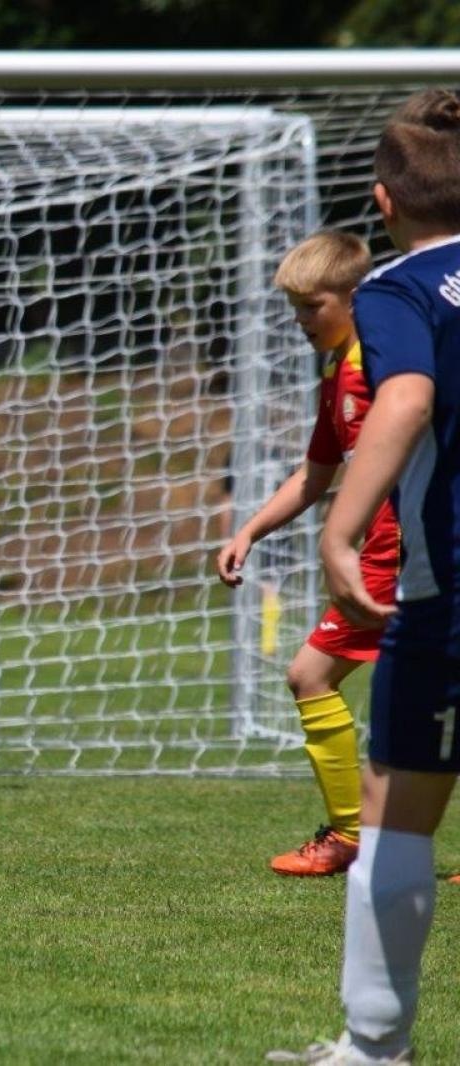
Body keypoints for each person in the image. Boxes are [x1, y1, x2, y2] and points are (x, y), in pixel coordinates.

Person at [268, 89, 460, 1066]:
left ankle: (375, 1047)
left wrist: (341, 532)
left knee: (394, 817)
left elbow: (409, 397)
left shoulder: (396, 290)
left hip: (447, 588)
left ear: (383, 203)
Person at [216, 231, 383, 878]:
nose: (300, 320)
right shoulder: (338, 372)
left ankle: (349, 835)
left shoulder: (382, 367)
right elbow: (316, 474)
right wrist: (249, 532)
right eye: (294, 308)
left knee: (310, 675)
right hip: (387, 552)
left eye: (312, 306)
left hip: (400, 553)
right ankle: (353, 833)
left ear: (353, 297)